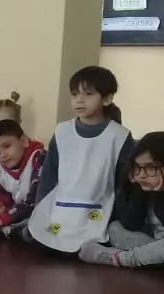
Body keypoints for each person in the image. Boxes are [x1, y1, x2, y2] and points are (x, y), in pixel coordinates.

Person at [28, 66, 134, 254]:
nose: (79, 100)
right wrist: (41, 209)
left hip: (100, 212)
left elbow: (124, 183)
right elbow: (49, 175)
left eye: (88, 94)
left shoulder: (119, 136)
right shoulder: (62, 131)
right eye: (75, 94)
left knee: (105, 238)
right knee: (41, 238)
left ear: (107, 98)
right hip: (61, 211)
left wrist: (119, 216)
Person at [80, 132, 164, 268]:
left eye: (150, 167)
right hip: (155, 245)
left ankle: (120, 258)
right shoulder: (148, 189)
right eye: (138, 167)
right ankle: (151, 259)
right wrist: (139, 193)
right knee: (115, 228)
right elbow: (130, 224)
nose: (141, 175)